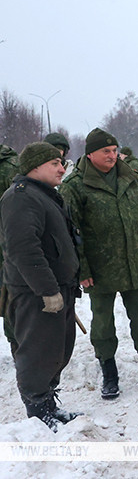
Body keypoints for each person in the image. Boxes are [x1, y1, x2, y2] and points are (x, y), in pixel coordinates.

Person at [59, 127, 138, 400]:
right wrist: (83, 270)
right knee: (103, 325)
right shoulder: (75, 185)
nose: (112, 156)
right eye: (106, 152)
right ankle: (109, 375)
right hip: (99, 270)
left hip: (134, 262)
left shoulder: (130, 177)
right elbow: (71, 232)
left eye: (114, 151)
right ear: (90, 154)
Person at [0, 142, 80, 432]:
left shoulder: (44, 195)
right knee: (37, 354)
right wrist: (47, 290)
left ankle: (49, 406)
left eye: (62, 163)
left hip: (58, 289)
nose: (62, 168)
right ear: (34, 167)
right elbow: (24, 249)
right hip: (37, 294)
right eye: (55, 163)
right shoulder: (20, 198)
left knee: (56, 350)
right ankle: (37, 415)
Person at [0, 143, 19, 353]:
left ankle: (17, 345)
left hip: (7, 245)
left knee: (11, 298)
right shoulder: (14, 165)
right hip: (8, 245)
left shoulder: (11, 167)